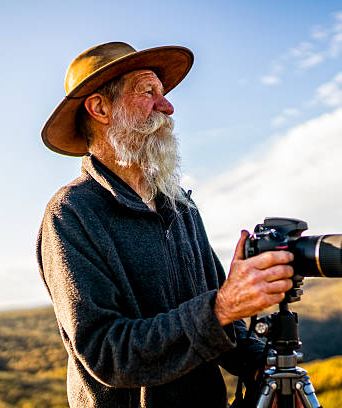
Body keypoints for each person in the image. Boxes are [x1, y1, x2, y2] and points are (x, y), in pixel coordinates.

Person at [37, 42, 295, 408]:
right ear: (100, 108)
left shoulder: (179, 204)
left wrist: (262, 366)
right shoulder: (71, 213)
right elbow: (107, 352)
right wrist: (219, 308)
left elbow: (225, 316)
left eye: (164, 94)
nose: (168, 107)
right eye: (148, 92)